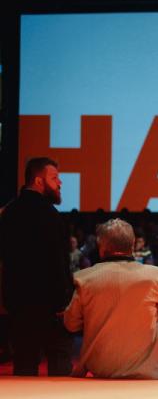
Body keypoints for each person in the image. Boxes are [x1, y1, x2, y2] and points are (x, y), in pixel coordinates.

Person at [63, 219, 158, 378]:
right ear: (132, 245)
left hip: (102, 368)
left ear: (101, 247)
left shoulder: (85, 279)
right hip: (148, 371)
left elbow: (71, 324)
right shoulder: (151, 276)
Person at [0, 157, 74, 376]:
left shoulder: (8, 213)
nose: (60, 183)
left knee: (24, 365)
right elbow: (59, 263)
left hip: (18, 304)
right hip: (50, 305)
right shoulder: (51, 216)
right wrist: (64, 301)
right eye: (54, 178)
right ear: (39, 181)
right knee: (60, 367)